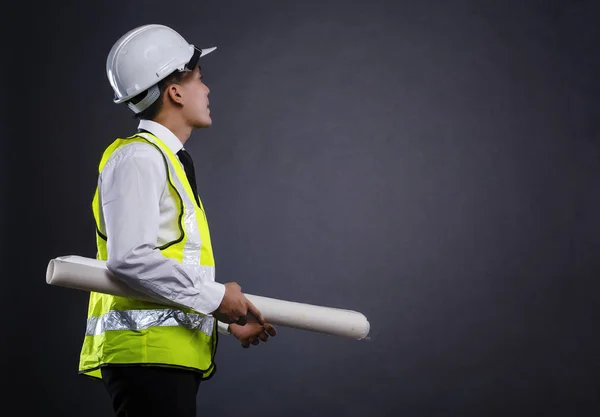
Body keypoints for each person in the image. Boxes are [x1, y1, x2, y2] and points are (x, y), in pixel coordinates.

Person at [78, 24, 277, 417]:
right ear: (174, 91)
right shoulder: (139, 159)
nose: (207, 90)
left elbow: (165, 273)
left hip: (165, 358)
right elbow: (131, 260)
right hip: (146, 360)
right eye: (200, 79)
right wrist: (218, 298)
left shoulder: (166, 161)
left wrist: (222, 318)